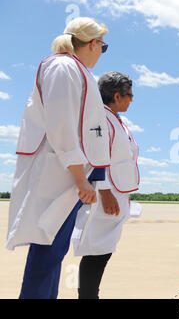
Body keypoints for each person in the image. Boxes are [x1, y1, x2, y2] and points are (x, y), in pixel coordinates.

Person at [7, 17, 110, 299]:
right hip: (60, 172)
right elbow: (61, 126)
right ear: (93, 43)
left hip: (67, 171)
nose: (102, 51)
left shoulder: (74, 69)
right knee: (47, 248)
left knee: (53, 250)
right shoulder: (63, 67)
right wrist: (80, 178)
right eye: (103, 45)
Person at [72, 71, 139, 299]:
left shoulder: (113, 118)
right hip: (105, 195)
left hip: (115, 193)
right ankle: (88, 296)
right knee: (96, 250)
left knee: (102, 249)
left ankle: (89, 295)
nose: (132, 99)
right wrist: (105, 190)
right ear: (117, 96)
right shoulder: (100, 118)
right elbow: (95, 156)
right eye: (130, 94)